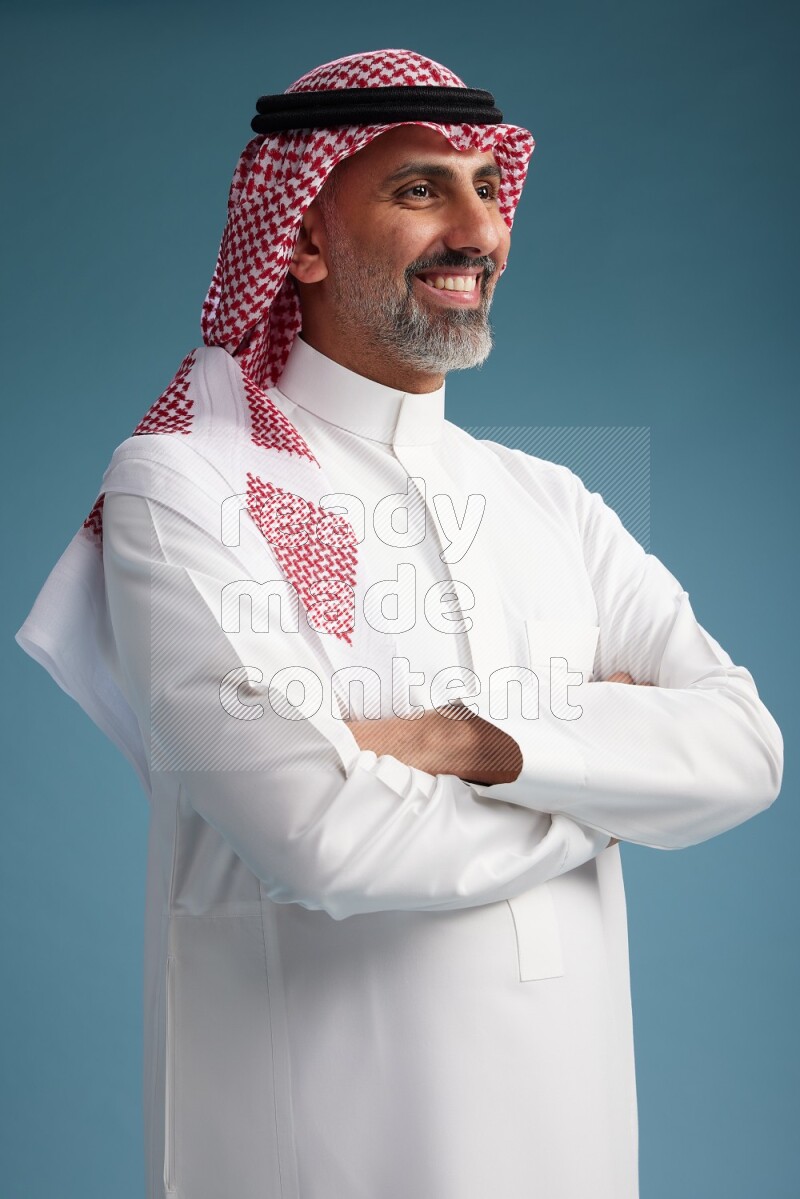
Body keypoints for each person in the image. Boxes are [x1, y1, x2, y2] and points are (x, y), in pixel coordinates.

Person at [16, 48, 782, 1199]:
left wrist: (476, 743)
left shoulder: (549, 501)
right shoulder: (183, 483)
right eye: (420, 189)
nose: (475, 227)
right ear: (305, 238)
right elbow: (320, 834)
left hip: (574, 1140)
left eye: (487, 184)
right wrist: (614, 792)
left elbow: (745, 749)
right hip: (316, 1147)